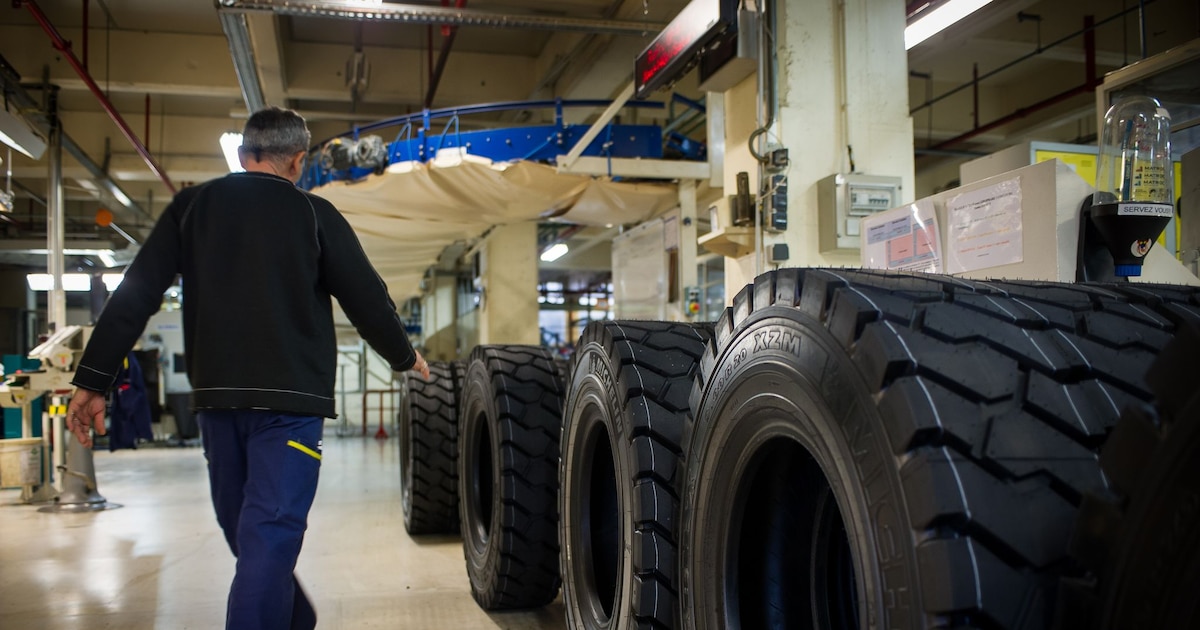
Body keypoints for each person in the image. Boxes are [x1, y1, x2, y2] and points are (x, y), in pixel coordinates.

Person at [66, 106, 430, 630]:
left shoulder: (192, 206)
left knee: (250, 532)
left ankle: (295, 620)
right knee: (263, 533)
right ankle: (292, 619)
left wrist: (94, 379)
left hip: (218, 402)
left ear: (242, 155)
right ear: (299, 161)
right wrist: (403, 355)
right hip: (290, 405)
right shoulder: (314, 213)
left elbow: (137, 292)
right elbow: (366, 298)